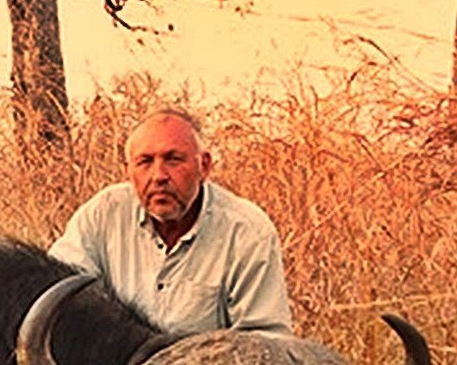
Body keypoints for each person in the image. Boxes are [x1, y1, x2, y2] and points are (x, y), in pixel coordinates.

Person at [51, 107, 293, 335]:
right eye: (145, 162)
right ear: (129, 171)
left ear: (204, 166)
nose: (159, 176)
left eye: (173, 159)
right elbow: (56, 295)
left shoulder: (247, 231)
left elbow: (266, 342)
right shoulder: (102, 214)